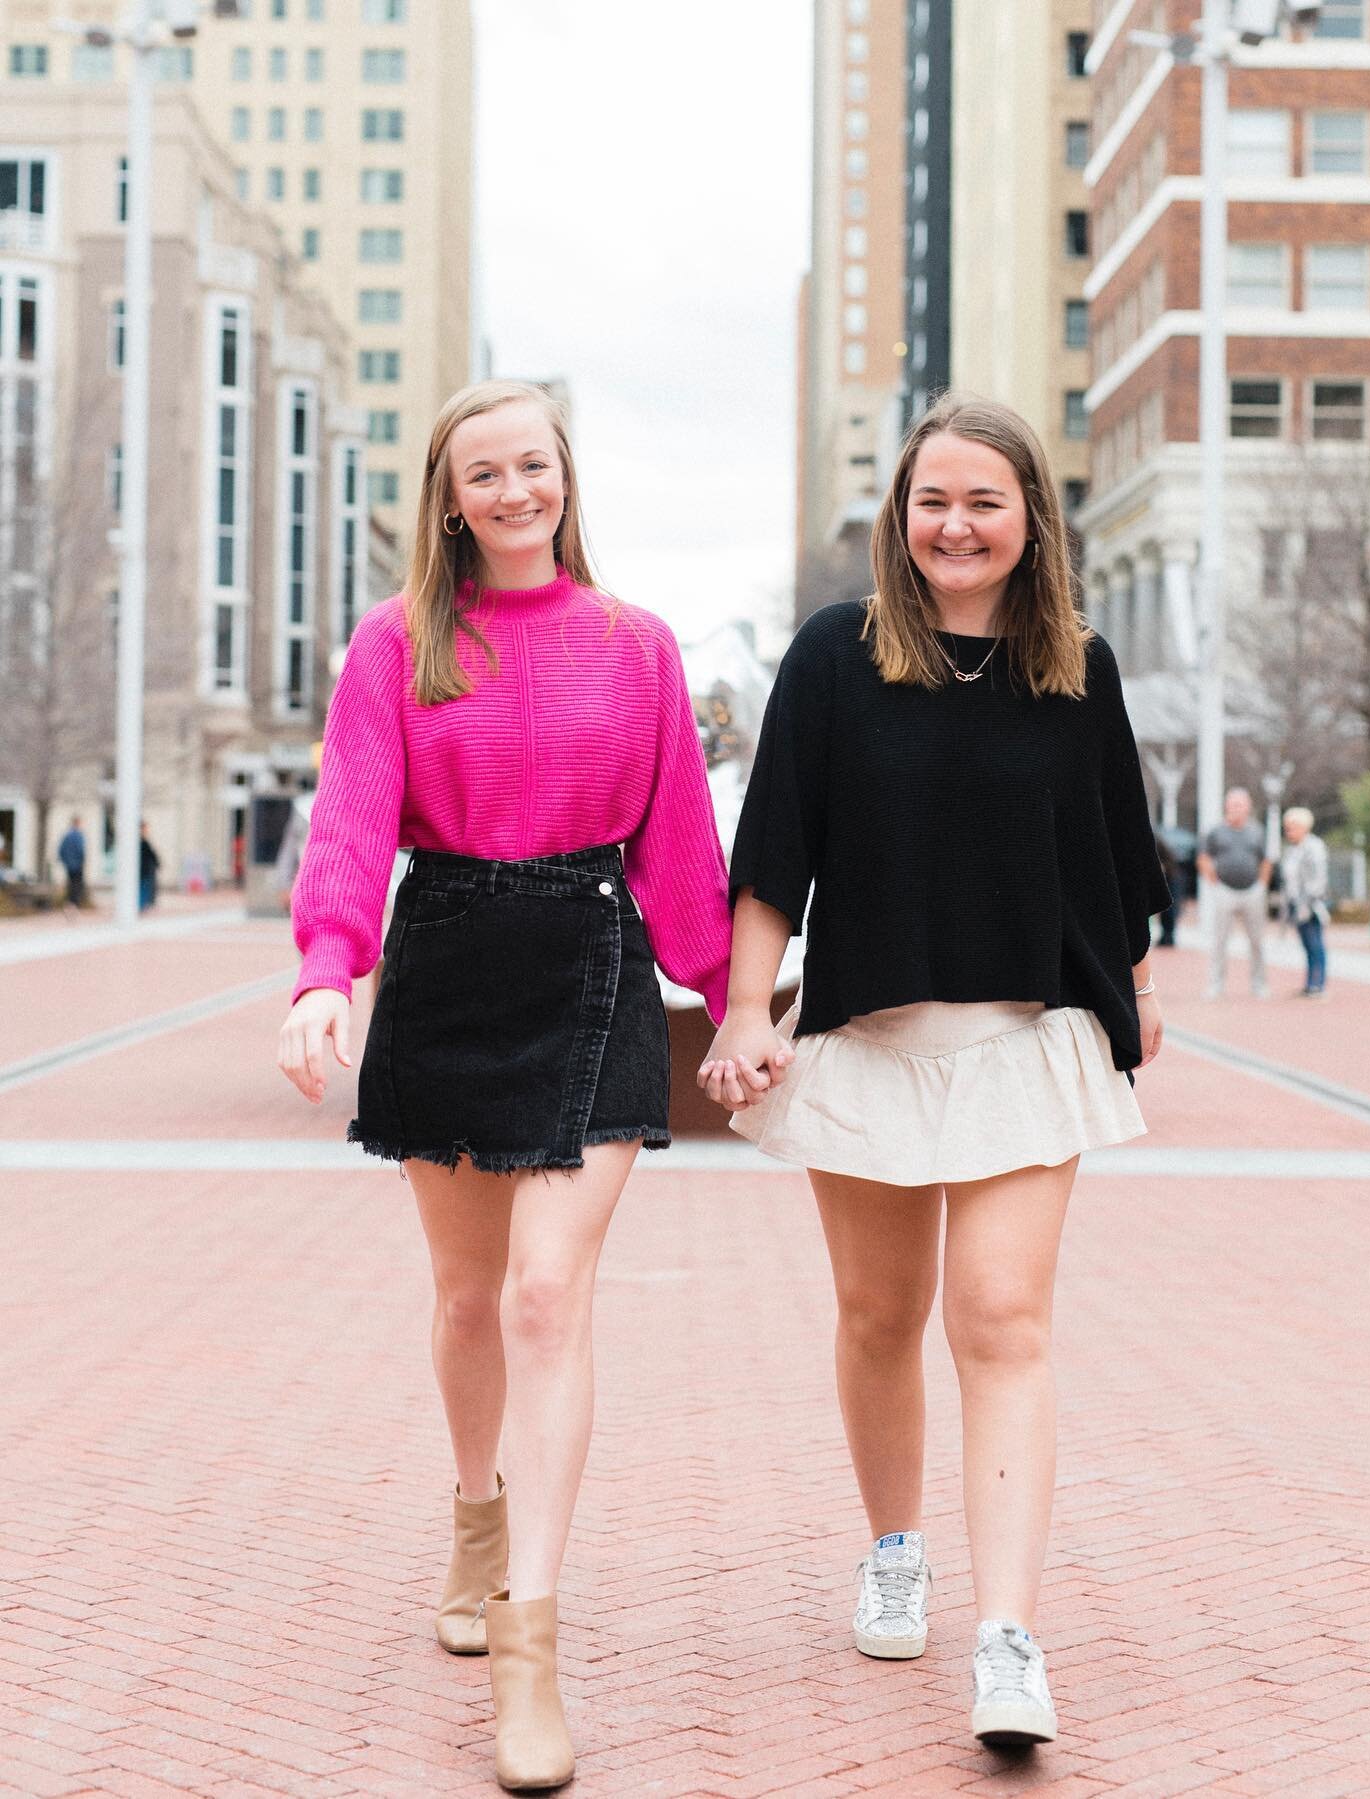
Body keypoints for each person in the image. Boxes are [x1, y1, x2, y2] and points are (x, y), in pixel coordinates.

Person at [277, 379, 731, 1792]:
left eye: (535, 462)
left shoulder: (637, 645)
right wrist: (321, 972)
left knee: (546, 1294)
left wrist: (738, 1002)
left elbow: (679, 849)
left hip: (594, 958)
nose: (516, 488)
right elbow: (353, 820)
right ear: (452, 495)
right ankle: (475, 1514)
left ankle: (531, 1636)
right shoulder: (397, 643)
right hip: (451, 958)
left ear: (565, 477)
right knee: (471, 1296)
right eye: (487, 471)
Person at [699, 393, 1168, 1751]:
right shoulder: (836, 659)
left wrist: (1135, 995)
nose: (956, 525)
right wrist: (742, 1010)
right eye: (932, 500)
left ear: (1031, 522)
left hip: (1033, 1031)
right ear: (901, 516)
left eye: (985, 502)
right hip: (870, 1038)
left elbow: (1118, 851)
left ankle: (1008, 1634)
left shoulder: (1077, 662)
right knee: (876, 1312)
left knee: (1003, 1318)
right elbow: (775, 845)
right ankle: (893, 1543)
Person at [1198, 787, 1271, 999]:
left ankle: (1260, 984)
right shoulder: (1215, 831)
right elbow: (1204, 857)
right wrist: (1214, 882)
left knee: (1257, 941)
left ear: (1247, 807)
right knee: (1219, 941)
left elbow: (1266, 860)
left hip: (1252, 893)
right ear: (1226, 806)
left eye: (1240, 804)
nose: (1235, 809)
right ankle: (1215, 985)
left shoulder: (1257, 831)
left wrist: (1261, 885)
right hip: (1225, 891)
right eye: (1232, 804)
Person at [1281, 807, 1329, 997]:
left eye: (1292, 827)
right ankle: (1310, 982)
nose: (1288, 831)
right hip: (1296, 903)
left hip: (1311, 905)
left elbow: (1318, 879)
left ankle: (1318, 983)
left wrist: (1307, 902)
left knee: (1315, 943)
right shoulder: (1293, 850)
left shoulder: (1314, 847)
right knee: (1307, 945)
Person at [1153, 832, 1180, 947]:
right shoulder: (1156, 839)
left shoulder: (1157, 841)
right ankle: (1166, 936)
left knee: (1169, 908)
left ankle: (1169, 936)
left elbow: (1169, 863)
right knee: (1165, 908)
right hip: (1162, 877)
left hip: (1170, 878)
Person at [57, 816, 86, 912]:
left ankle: (69, 904)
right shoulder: (78, 836)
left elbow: (61, 850)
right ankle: (73, 905)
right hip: (77, 864)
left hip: (69, 865)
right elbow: (81, 850)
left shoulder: (67, 836)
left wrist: (65, 861)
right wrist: (82, 861)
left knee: (71, 884)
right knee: (76, 885)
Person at [138, 823, 160, 912]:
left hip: (144, 870)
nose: (146, 831)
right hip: (142, 870)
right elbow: (152, 855)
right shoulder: (142, 843)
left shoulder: (144, 842)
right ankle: (140, 905)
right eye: (144, 829)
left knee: (144, 888)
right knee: (142, 888)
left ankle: (141, 905)